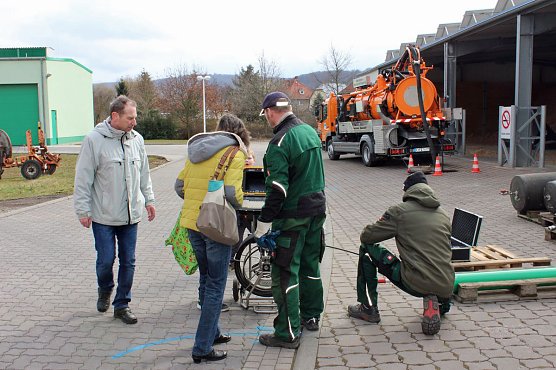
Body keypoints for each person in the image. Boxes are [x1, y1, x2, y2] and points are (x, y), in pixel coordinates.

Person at [74, 95, 156, 325]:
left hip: (131, 214)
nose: (134, 122)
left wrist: (149, 200)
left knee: (128, 261)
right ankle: (105, 288)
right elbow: (83, 178)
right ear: (115, 116)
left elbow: (144, 174)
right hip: (103, 215)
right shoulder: (93, 140)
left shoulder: (137, 140)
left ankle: (122, 305)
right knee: (105, 260)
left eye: (135, 117)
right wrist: (83, 210)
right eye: (130, 118)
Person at [175, 113, 249, 364]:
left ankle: (213, 333)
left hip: (192, 223)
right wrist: (242, 202)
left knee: (206, 279)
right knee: (217, 285)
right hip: (215, 226)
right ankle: (202, 347)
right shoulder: (234, 154)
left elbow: (179, 187)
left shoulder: (197, 151)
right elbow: (232, 193)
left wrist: (197, 202)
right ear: (240, 135)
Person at [255, 92, 327, 349]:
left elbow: (278, 189)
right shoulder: (309, 131)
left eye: (265, 115)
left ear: (270, 111)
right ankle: (311, 316)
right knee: (310, 265)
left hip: (293, 218)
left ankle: (287, 333)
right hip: (317, 211)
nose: (266, 119)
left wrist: (264, 221)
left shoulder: (279, 142)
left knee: (285, 272)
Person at [348, 171, 454, 335]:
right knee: (438, 268)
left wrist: (384, 221)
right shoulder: (444, 214)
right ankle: (442, 305)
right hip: (446, 283)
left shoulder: (399, 212)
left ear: (408, 192)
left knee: (367, 249)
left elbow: (367, 236)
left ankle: (368, 308)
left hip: (415, 282)